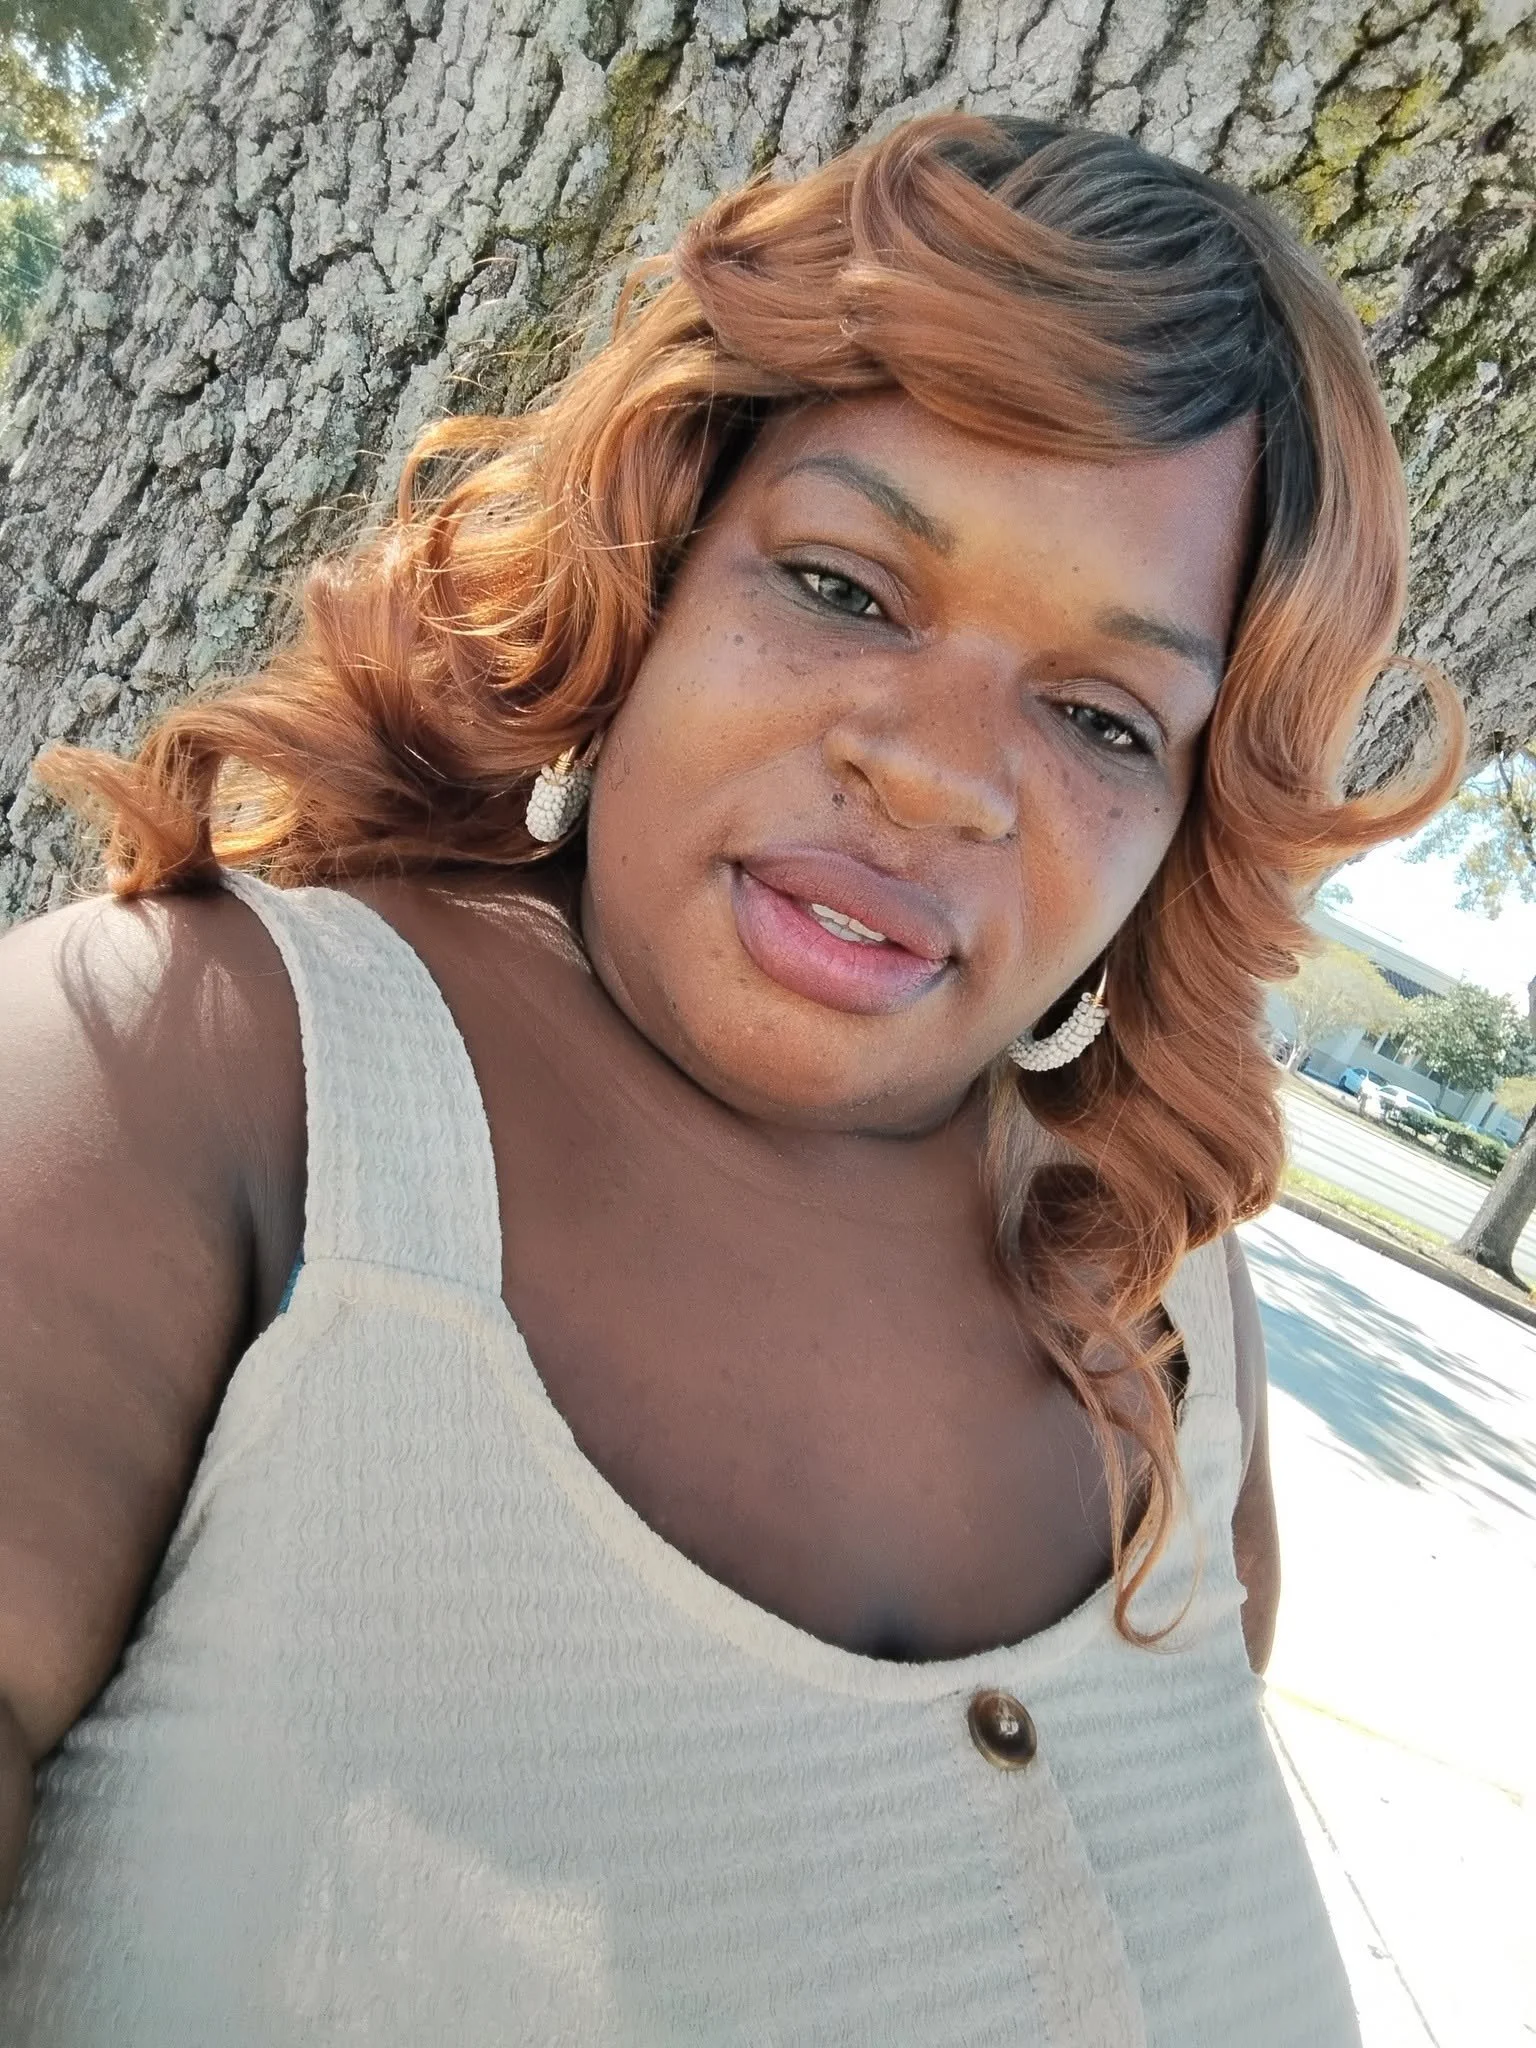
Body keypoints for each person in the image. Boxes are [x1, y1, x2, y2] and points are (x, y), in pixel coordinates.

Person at [0, 113, 1463, 2044]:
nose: (938, 770)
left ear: (1186, 821)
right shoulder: (180, 1079)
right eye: (849, 586)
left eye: (1104, 715)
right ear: (661, 559)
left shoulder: (1158, 1292)